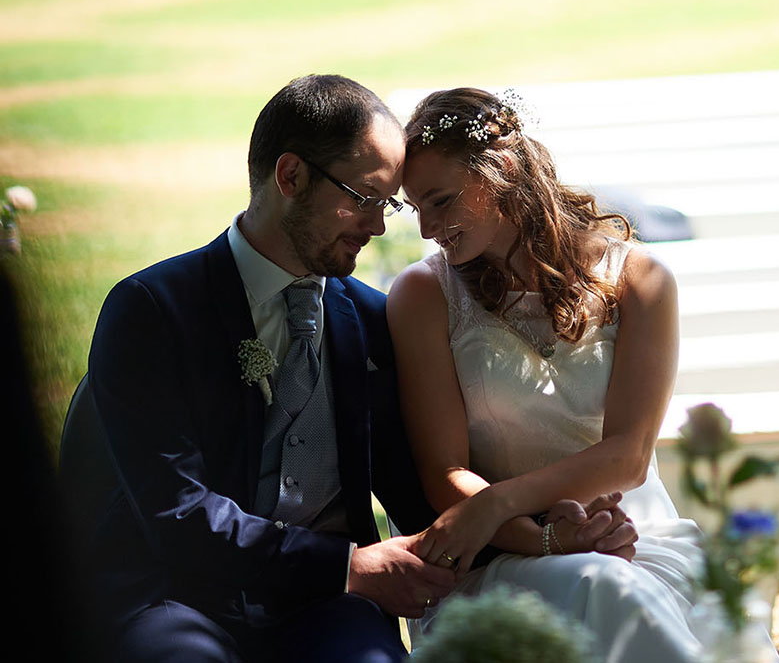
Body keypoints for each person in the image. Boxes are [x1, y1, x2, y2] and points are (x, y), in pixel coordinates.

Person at [66, 75, 632, 663]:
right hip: (176, 597)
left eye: (388, 204)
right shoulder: (154, 308)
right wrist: (346, 565)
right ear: (291, 177)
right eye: (365, 197)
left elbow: (423, 496)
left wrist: (552, 534)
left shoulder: (370, 319)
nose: (381, 226)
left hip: (327, 609)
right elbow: (174, 511)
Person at [387, 87, 779, 662]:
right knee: (605, 589)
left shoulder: (641, 281)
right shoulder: (425, 294)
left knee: (681, 611)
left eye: (441, 201)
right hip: (505, 559)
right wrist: (540, 535)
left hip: (639, 537)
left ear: (499, 172)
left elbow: (627, 456)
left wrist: (497, 502)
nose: (427, 229)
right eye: (415, 206)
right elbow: (445, 473)